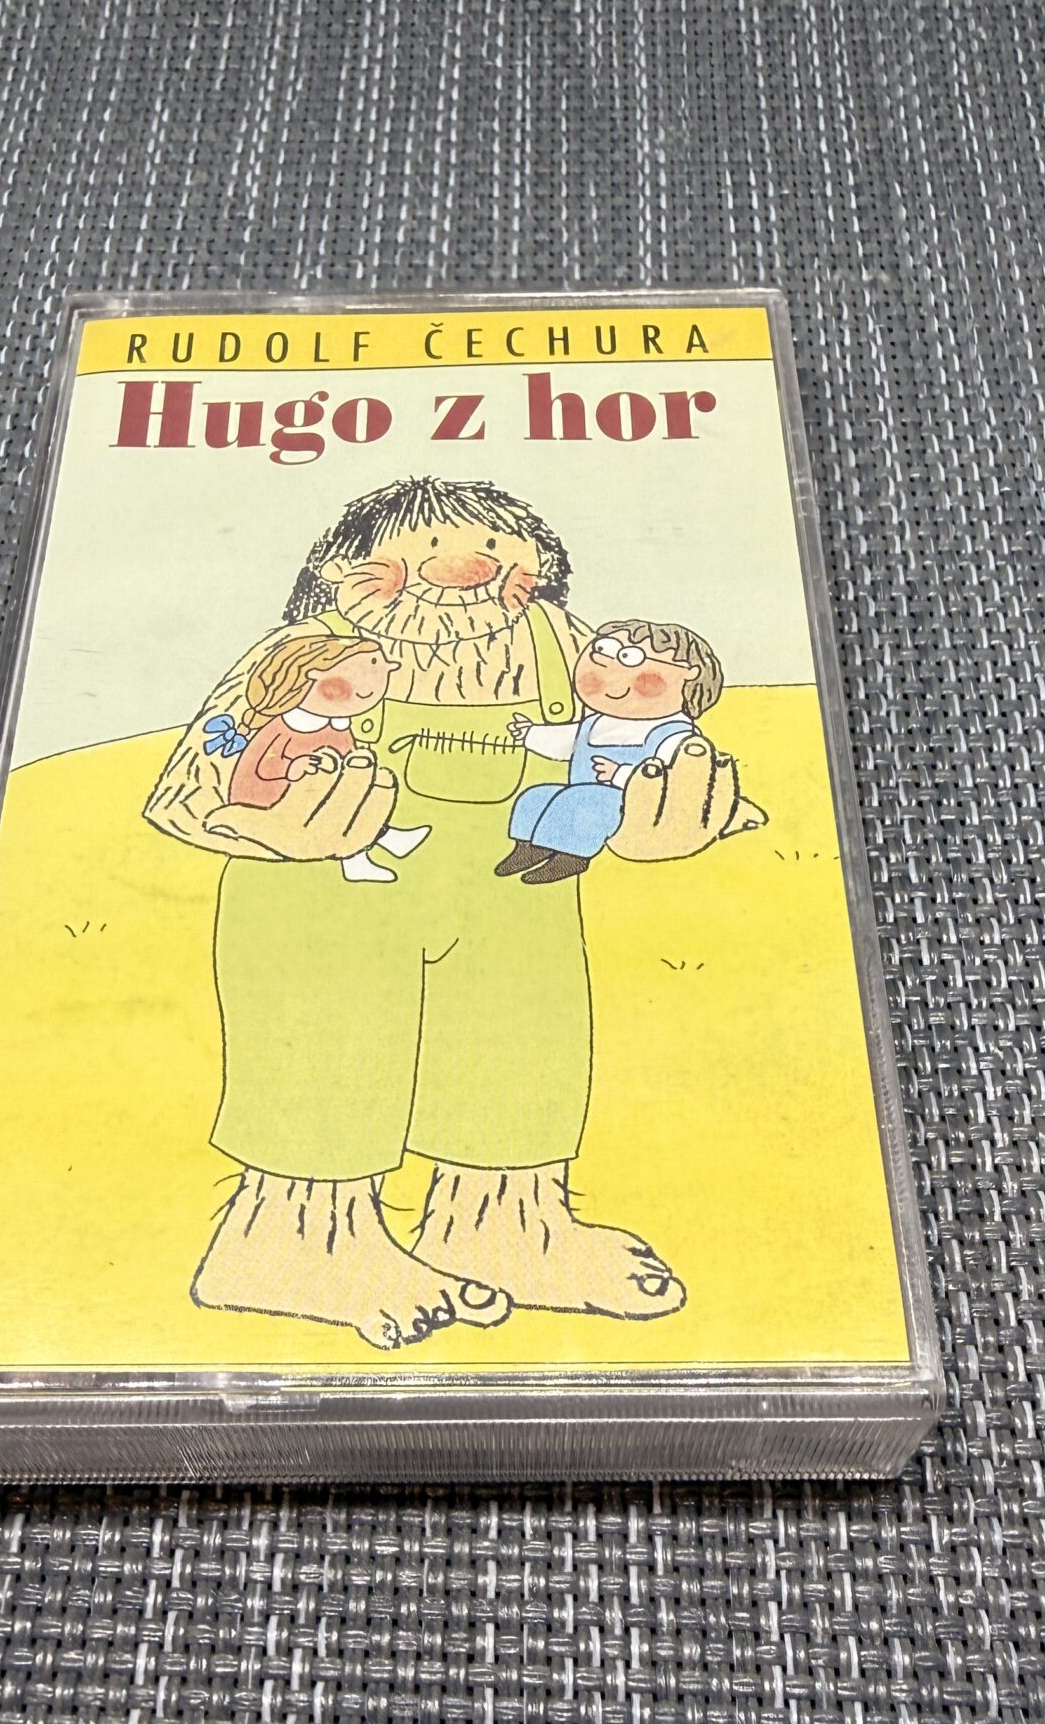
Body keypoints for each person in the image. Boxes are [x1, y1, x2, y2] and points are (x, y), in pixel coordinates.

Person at [144, 476, 764, 1350]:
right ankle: (294, 1245)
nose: (464, 569)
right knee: (328, 1059)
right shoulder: (305, 654)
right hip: (322, 904)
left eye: (496, 551)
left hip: (516, 901)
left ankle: (505, 1229)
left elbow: (644, 749)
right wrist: (266, 826)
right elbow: (187, 789)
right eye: (425, 549)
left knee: (521, 1055)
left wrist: (664, 820)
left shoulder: (565, 646)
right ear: (344, 571)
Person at [497, 619, 725, 883]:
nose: (609, 670)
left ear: (687, 674)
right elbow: (565, 740)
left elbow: (672, 778)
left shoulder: (673, 732)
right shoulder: (597, 722)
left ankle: (572, 857)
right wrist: (530, 733)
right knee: (537, 796)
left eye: (629, 658)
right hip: (581, 797)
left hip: (634, 808)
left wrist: (621, 774)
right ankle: (530, 848)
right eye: (603, 651)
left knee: (584, 802)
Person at [222, 632, 429, 883]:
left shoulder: (336, 726)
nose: (367, 691)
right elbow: (265, 767)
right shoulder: (285, 727)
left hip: (321, 794)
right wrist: (293, 768)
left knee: (369, 787)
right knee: (341, 804)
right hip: (272, 799)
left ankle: (385, 838)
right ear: (311, 679)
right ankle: (359, 858)